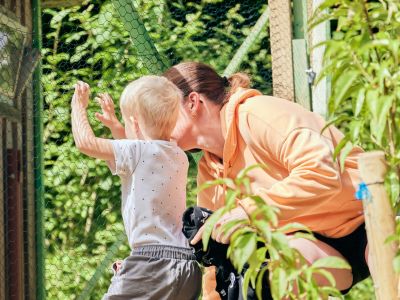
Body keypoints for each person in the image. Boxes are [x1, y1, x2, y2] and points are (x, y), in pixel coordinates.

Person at [98, 62, 370, 299]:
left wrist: (245, 212)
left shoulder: (257, 113)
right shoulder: (209, 169)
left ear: (193, 102)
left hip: (368, 212)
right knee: (258, 275)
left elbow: (321, 173)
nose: (157, 120)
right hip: (324, 249)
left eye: (165, 108)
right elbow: (215, 263)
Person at [71, 77, 202, 300]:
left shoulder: (139, 151)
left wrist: (78, 107)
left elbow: (86, 143)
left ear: (137, 125)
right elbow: (138, 153)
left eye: (125, 120)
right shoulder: (179, 156)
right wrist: (115, 126)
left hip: (152, 263)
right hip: (187, 266)